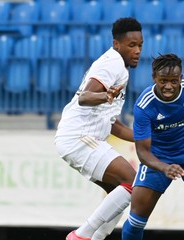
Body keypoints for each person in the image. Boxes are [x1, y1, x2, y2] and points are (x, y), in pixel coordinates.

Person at [54, 17, 143, 240]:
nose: (137, 50)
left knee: (118, 192)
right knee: (133, 180)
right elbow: (85, 97)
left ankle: (95, 238)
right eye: (131, 45)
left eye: (140, 45)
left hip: (80, 138)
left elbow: (114, 125)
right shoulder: (112, 62)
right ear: (116, 44)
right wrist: (106, 95)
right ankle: (81, 236)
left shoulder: (120, 68)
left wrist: (144, 137)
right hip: (79, 137)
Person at [121, 53, 184, 240]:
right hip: (158, 158)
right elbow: (142, 152)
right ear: (154, 78)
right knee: (136, 222)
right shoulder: (144, 107)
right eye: (163, 81)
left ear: (181, 78)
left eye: (174, 81)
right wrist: (164, 167)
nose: (168, 86)